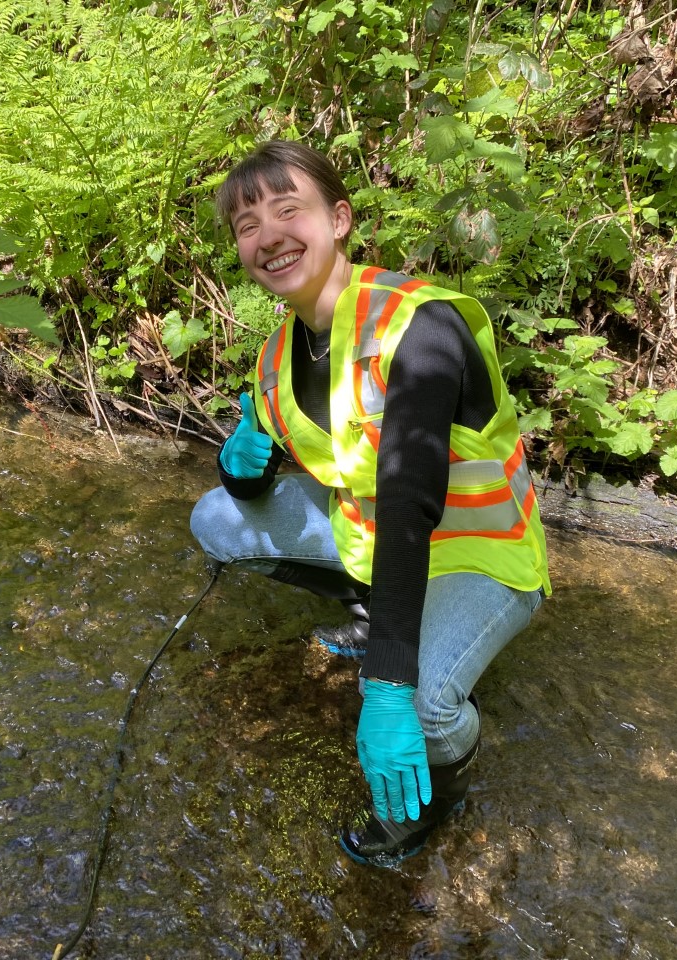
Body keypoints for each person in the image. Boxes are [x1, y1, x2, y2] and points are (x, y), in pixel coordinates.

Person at [189, 140, 552, 866]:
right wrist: (242, 471)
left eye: (289, 210)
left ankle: (437, 800)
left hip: (480, 553)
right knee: (214, 519)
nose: (268, 237)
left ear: (340, 219)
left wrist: (388, 682)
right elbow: (259, 478)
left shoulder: (419, 328)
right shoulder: (275, 356)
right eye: (247, 226)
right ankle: (369, 611)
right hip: (372, 545)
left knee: (420, 707)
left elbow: (411, 501)